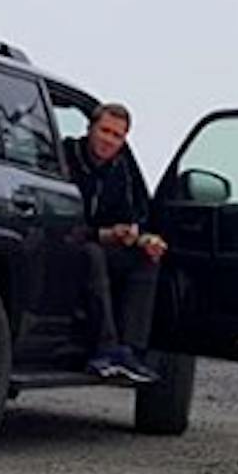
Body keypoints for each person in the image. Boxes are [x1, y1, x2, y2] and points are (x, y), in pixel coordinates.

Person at [61, 102, 168, 384]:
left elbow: (133, 218)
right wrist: (104, 234)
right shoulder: (66, 156)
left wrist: (145, 238)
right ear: (90, 129)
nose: (109, 140)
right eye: (104, 131)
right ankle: (105, 348)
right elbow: (63, 221)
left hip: (100, 241)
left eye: (117, 136)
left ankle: (129, 351)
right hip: (59, 245)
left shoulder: (121, 169)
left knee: (146, 258)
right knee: (92, 253)